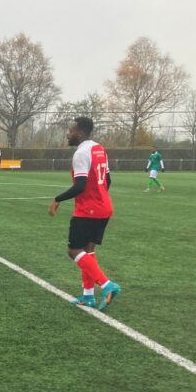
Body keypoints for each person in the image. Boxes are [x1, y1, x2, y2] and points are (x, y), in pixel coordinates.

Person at [48, 117, 122, 311]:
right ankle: (88, 296)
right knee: (88, 252)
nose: (68, 134)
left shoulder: (81, 153)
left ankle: (107, 285)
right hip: (104, 207)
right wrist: (100, 197)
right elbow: (108, 180)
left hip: (88, 209)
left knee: (74, 251)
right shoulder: (99, 148)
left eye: (71, 130)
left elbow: (80, 185)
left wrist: (57, 199)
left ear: (80, 132)